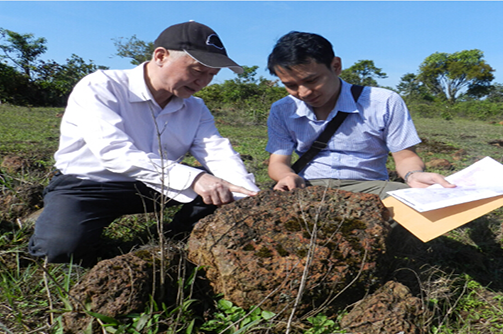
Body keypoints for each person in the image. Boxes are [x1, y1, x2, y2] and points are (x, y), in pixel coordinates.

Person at [29, 21, 259, 266]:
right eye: (197, 70)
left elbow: (218, 153)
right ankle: (51, 215)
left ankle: (177, 237)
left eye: (212, 75)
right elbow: (114, 153)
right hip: (90, 186)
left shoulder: (195, 107)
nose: (203, 82)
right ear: (161, 56)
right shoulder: (101, 87)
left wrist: (251, 196)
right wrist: (193, 178)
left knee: (223, 192)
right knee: (59, 252)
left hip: (156, 186)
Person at [265, 31, 455, 198]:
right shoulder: (283, 109)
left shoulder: (384, 102)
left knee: (409, 204)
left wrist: (413, 175)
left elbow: (405, 157)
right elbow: (278, 162)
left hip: (372, 188)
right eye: (290, 85)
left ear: (336, 66)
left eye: (312, 80)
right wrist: (286, 176)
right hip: (309, 185)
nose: (304, 92)